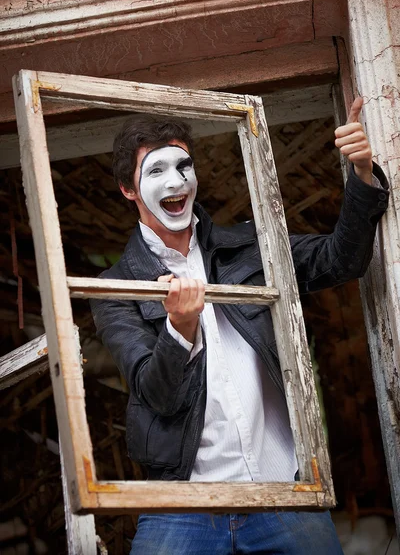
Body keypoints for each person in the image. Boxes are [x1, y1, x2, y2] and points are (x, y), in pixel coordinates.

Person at [91, 98, 389, 554]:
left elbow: (340, 260)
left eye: (183, 165)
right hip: (183, 506)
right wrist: (180, 329)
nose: (175, 182)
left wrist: (363, 176)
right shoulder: (115, 287)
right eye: (155, 171)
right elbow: (156, 395)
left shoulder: (252, 244)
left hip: (286, 496)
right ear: (127, 191)